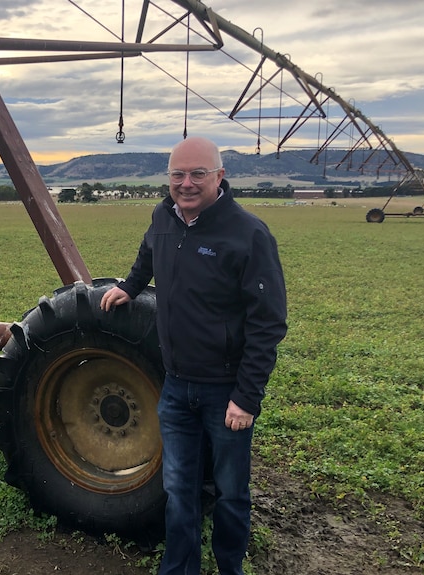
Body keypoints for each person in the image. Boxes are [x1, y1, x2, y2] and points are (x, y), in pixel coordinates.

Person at [100, 136, 287, 575]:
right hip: (176, 386)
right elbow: (149, 252)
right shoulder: (163, 217)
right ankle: (179, 568)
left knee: (231, 491)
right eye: (177, 174)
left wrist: (247, 397)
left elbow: (268, 323)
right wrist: (129, 286)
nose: (186, 183)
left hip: (225, 393)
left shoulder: (248, 234)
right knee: (178, 489)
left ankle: (229, 568)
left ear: (219, 176)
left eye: (198, 174)